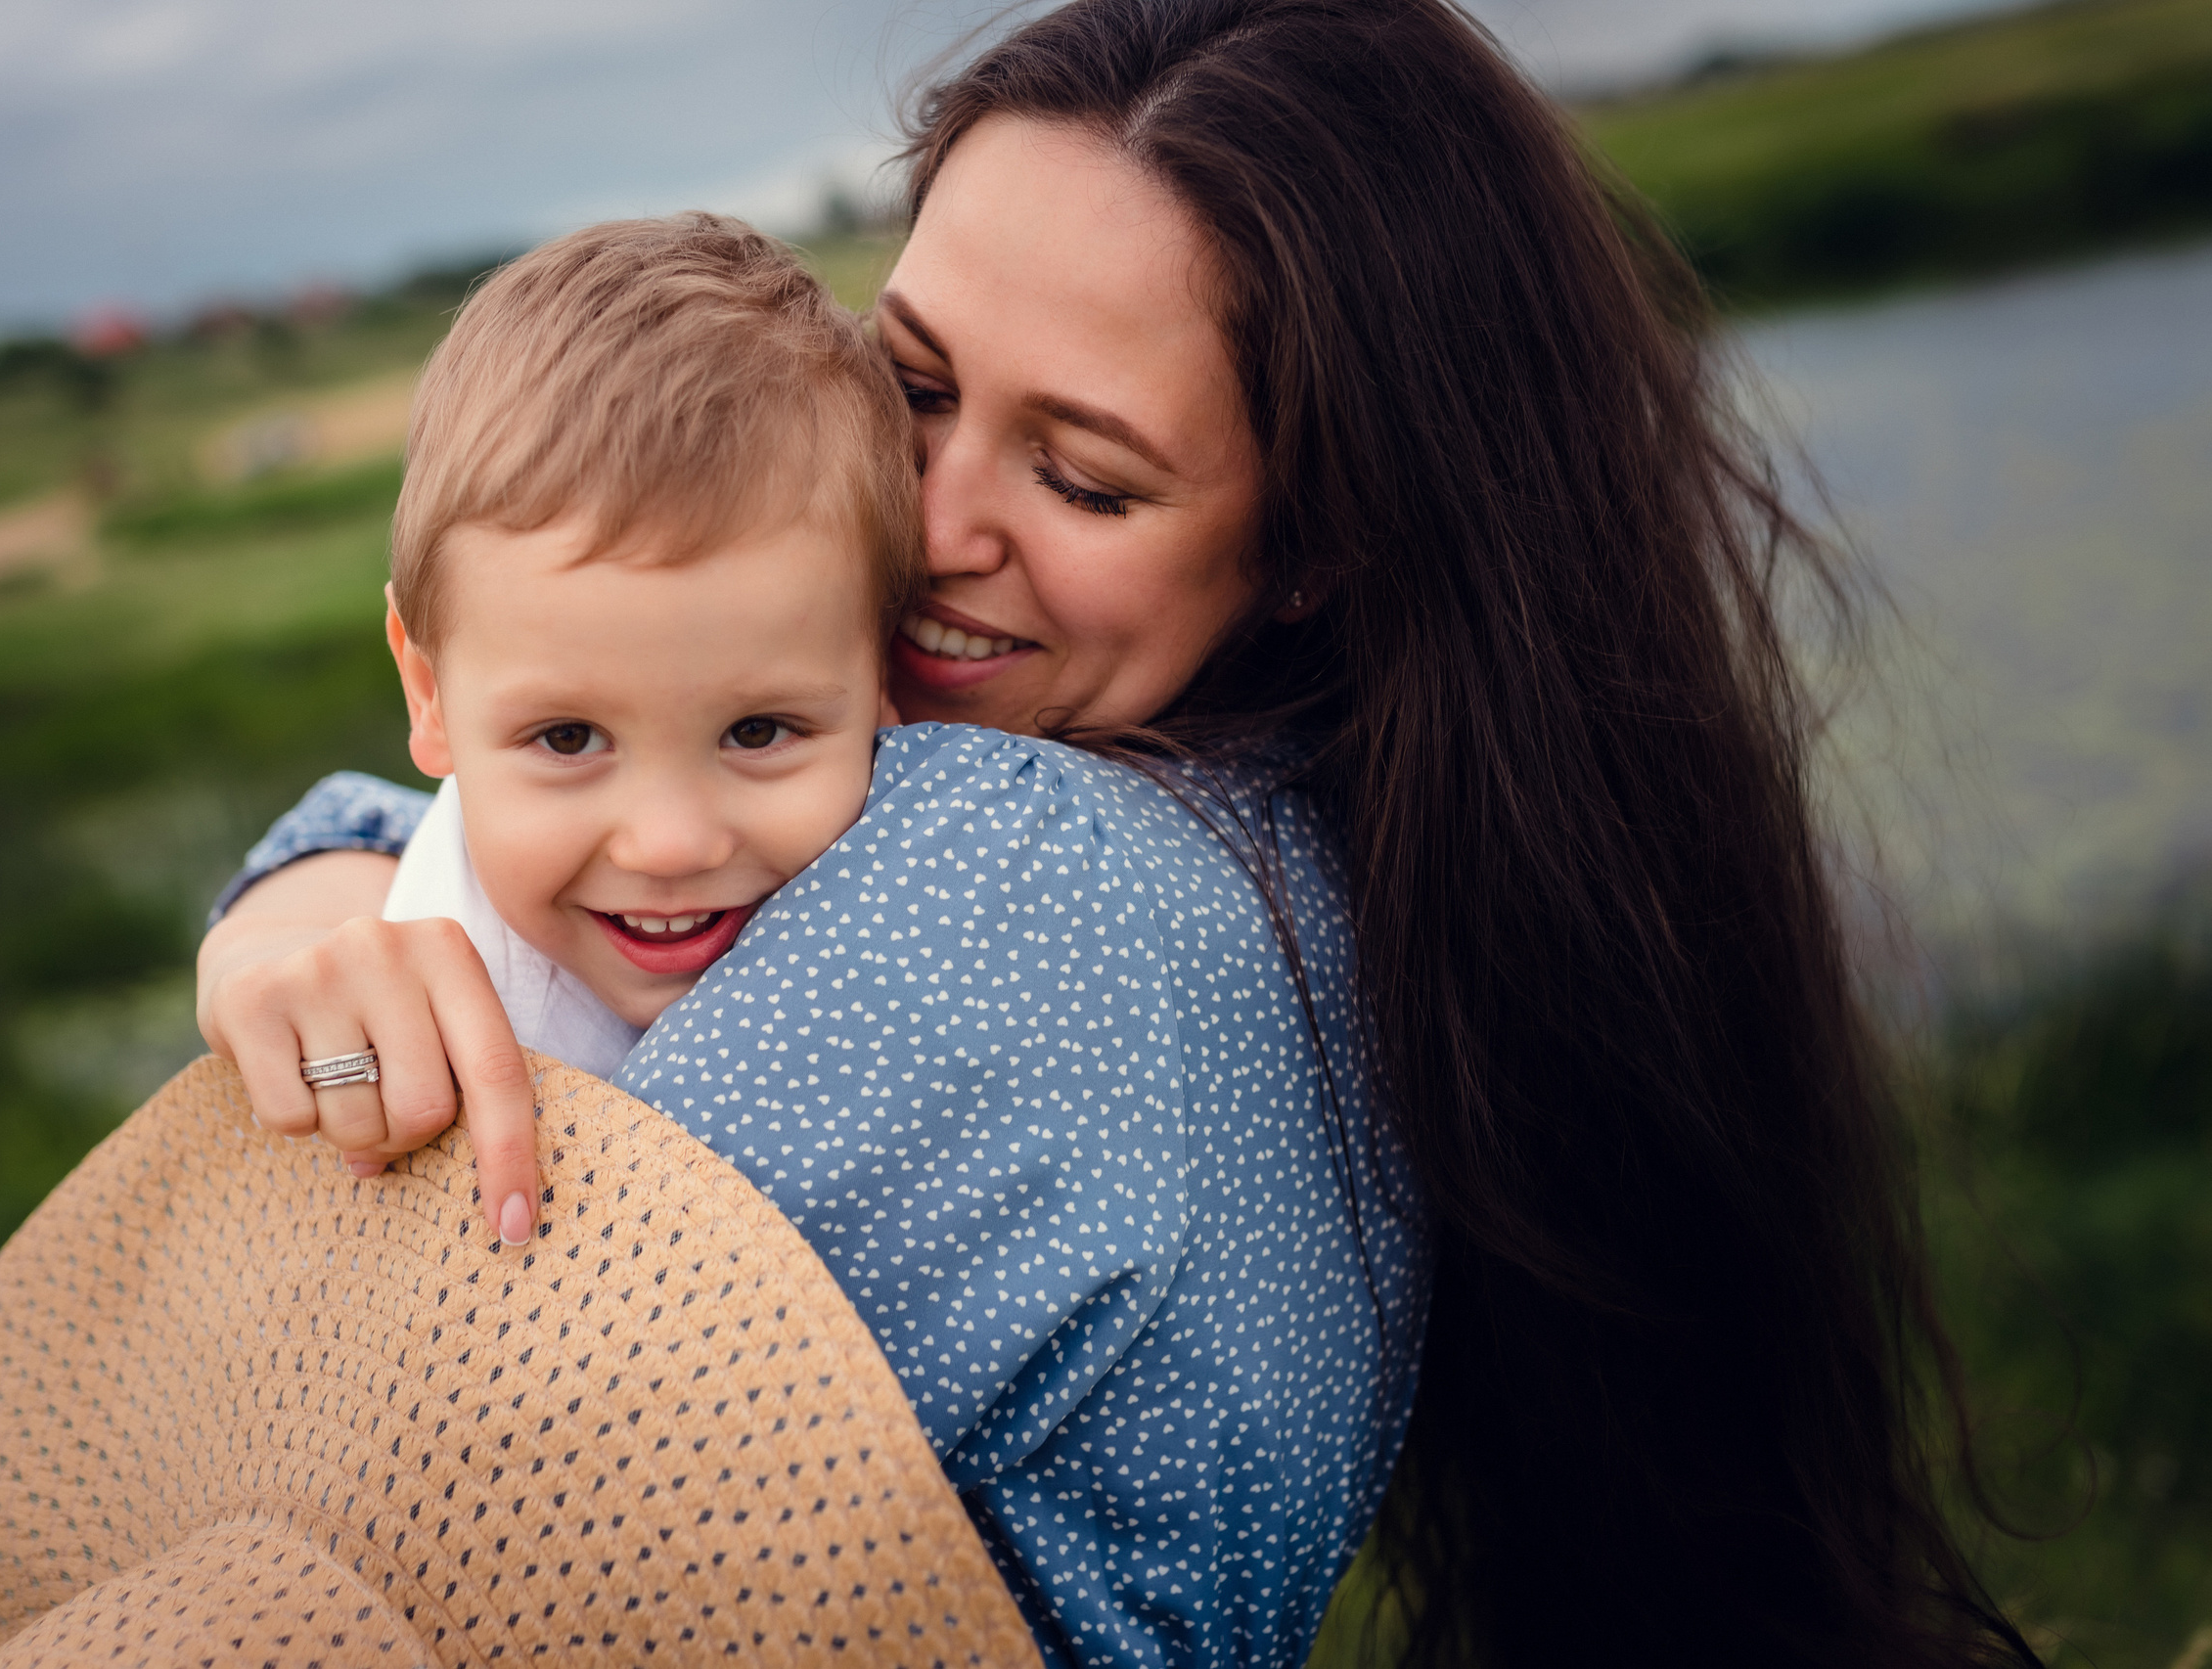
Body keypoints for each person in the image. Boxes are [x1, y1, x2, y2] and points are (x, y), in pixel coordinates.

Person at [199, 2, 2038, 1665]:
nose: (924, 523)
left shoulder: (1016, 873)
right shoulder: (1347, 858)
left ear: (1321, 543)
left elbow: (393, 1487)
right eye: (907, 386)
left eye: (1081, 475)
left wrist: (332, 929)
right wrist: (321, 899)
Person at [250, 215, 920, 1235]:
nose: (671, 843)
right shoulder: (401, 988)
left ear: (884, 674)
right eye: (568, 739)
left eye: (758, 731)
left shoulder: (925, 912)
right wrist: (260, 935)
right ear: (427, 697)